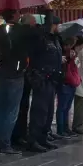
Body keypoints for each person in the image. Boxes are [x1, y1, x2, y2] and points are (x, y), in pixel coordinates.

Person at [0, 10, 28, 154]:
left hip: (4, 70)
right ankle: (5, 142)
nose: (20, 15)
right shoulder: (20, 30)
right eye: (18, 13)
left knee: (1, 107)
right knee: (12, 110)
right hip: (16, 73)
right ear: (14, 15)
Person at [27, 15, 63, 150]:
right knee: (39, 110)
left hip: (52, 78)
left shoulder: (55, 39)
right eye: (57, 25)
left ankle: (43, 137)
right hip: (42, 77)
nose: (59, 27)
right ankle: (33, 139)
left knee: (48, 111)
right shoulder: (41, 38)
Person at [11, 14, 37, 150]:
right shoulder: (21, 32)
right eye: (33, 22)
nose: (34, 24)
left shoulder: (21, 33)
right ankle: (16, 135)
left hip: (25, 73)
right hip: (20, 73)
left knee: (23, 107)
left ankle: (21, 133)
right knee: (20, 107)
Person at [55, 37, 80, 137]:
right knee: (62, 107)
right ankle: (61, 129)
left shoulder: (72, 53)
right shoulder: (61, 53)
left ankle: (66, 128)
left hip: (71, 81)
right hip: (64, 81)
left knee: (67, 107)